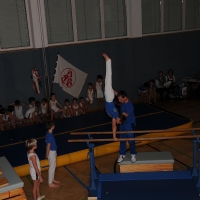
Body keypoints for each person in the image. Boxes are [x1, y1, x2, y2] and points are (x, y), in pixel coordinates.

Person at [102, 53, 126, 139]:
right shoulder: (115, 116)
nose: (117, 123)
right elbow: (114, 126)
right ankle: (108, 61)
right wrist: (114, 136)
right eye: (119, 122)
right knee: (108, 78)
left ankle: (108, 62)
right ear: (119, 119)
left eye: (118, 123)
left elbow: (109, 112)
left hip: (110, 97)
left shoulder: (116, 114)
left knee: (108, 80)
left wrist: (115, 92)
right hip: (109, 98)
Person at [117, 90, 137, 163]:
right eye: (118, 99)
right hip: (123, 124)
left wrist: (115, 118)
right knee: (122, 139)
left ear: (125, 98)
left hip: (129, 124)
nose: (119, 101)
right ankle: (122, 154)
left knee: (131, 140)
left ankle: (133, 154)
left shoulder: (130, 106)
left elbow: (122, 117)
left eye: (120, 99)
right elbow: (117, 93)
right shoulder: (122, 100)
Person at [45, 121, 60, 188]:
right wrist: (47, 154)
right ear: (52, 127)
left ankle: (52, 179)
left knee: (53, 166)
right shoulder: (50, 136)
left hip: (52, 151)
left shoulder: (48, 133)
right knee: (52, 167)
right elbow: (48, 146)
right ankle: (50, 183)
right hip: (51, 152)